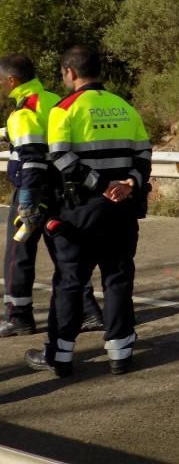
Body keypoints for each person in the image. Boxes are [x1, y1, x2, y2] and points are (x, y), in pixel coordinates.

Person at [24, 46, 151, 377]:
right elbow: (145, 154)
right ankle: (120, 354)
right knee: (118, 277)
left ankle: (60, 356)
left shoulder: (63, 110)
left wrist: (100, 184)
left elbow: (61, 158)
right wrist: (129, 185)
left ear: (69, 73)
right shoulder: (124, 107)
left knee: (69, 281)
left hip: (79, 210)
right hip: (121, 208)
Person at [0, 54, 103, 338]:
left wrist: (27, 201)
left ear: (11, 80)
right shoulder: (51, 99)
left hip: (32, 188)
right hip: (60, 187)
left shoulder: (24, 111)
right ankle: (88, 311)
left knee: (18, 253)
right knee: (64, 253)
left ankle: (18, 316)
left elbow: (31, 158)